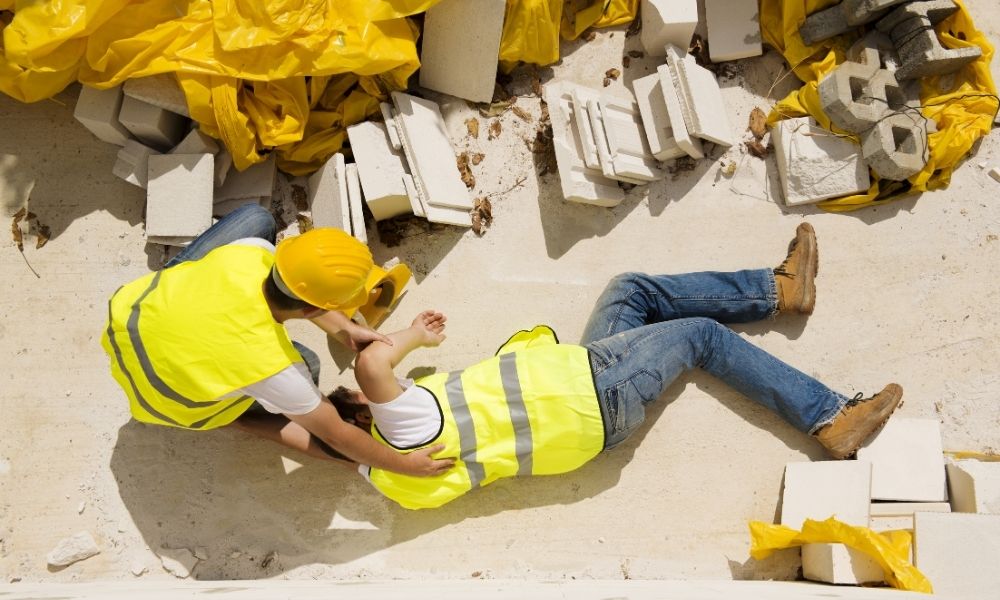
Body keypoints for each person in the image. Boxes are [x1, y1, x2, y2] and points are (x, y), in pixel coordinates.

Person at [334, 223, 903, 509]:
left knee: (629, 290)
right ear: (365, 419)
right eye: (367, 401)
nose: (388, 389)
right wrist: (413, 335)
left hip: (585, 395)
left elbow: (314, 439)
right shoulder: (403, 425)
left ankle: (780, 290)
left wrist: (288, 424)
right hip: (594, 391)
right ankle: (829, 417)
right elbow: (373, 366)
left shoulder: (391, 480)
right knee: (702, 337)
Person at [100, 204, 454, 478]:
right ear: (315, 308)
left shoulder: (250, 252)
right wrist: (405, 466)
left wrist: (344, 328)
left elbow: (298, 293)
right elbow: (337, 437)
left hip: (129, 320)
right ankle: (229, 417)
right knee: (310, 367)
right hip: (165, 401)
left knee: (256, 218)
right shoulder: (277, 369)